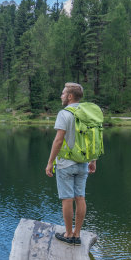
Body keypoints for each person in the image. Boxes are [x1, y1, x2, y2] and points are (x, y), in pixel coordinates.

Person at [45, 82, 96, 245]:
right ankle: (77, 234)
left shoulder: (64, 113)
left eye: (63, 93)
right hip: (83, 163)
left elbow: (59, 140)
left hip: (66, 164)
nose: (61, 96)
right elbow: (92, 139)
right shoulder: (87, 114)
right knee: (80, 197)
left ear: (70, 96)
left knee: (67, 199)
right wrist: (93, 160)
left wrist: (50, 162)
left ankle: (68, 234)